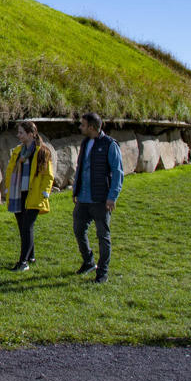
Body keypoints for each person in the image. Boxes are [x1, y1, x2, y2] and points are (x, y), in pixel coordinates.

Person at [72, 112, 124, 283]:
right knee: (79, 230)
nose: (80, 127)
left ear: (92, 127)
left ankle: (102, 272)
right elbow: (81, 168)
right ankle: (88, 262)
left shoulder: (110, 145)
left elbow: (118, 172)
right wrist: (76, 191)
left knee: (103, 236)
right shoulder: (85, 142)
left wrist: (112, 196)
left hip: (101, 199)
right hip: (83, 198)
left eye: (83, 124)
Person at [2, 120, 54, 272]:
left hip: (34, 193)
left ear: (31, 134)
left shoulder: (42, 151)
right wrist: (7, 187)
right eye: (18, 133)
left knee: (27, 227)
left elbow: (47, 174)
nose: (18, 136)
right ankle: (31, 256)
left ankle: (23, 262)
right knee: (22, 226)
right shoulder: (18, 151)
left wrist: (46, 191)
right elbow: (10, 170)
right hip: (18, 192)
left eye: (21, 133)